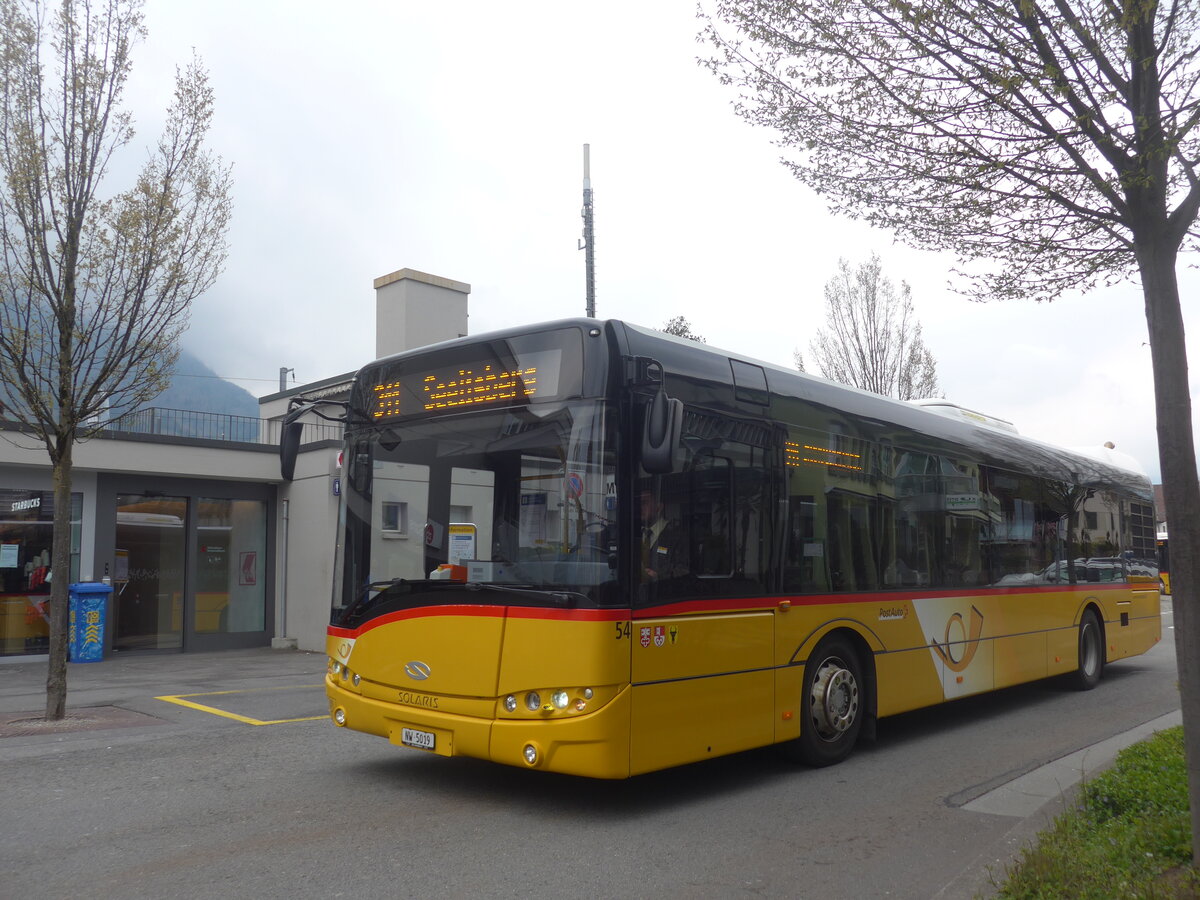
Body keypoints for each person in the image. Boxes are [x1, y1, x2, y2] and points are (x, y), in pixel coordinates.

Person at [639, 489, 687, 581]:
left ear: (659, 507)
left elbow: (684, 570)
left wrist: (659, 576)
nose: (640, 508)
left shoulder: (677, 536)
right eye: (638, 504)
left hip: (665, 592)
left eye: (644, 503)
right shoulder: (632, 535)